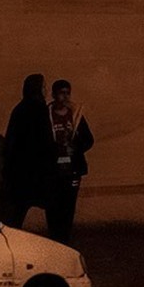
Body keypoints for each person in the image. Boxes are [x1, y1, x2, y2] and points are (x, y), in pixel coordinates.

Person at [45, 79, 93, 246]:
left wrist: (75, 148)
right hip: (53, 170)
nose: (64, 97)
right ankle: (54, 238)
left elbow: (88, 139)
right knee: (53, 206)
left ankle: (65, 239)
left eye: (67, 93)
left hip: (72, 169)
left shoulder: (76, 115)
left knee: (68, 205)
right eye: (61, 93)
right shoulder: (46, 115)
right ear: (54, 94)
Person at [0, 73, 50, 228]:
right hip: (33, 173)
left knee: (17, 214)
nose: (46, 90)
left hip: (18, 174)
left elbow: (10, 142)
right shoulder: (40, 109)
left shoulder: (19, 109)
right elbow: (45, 141)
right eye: (43, 87)